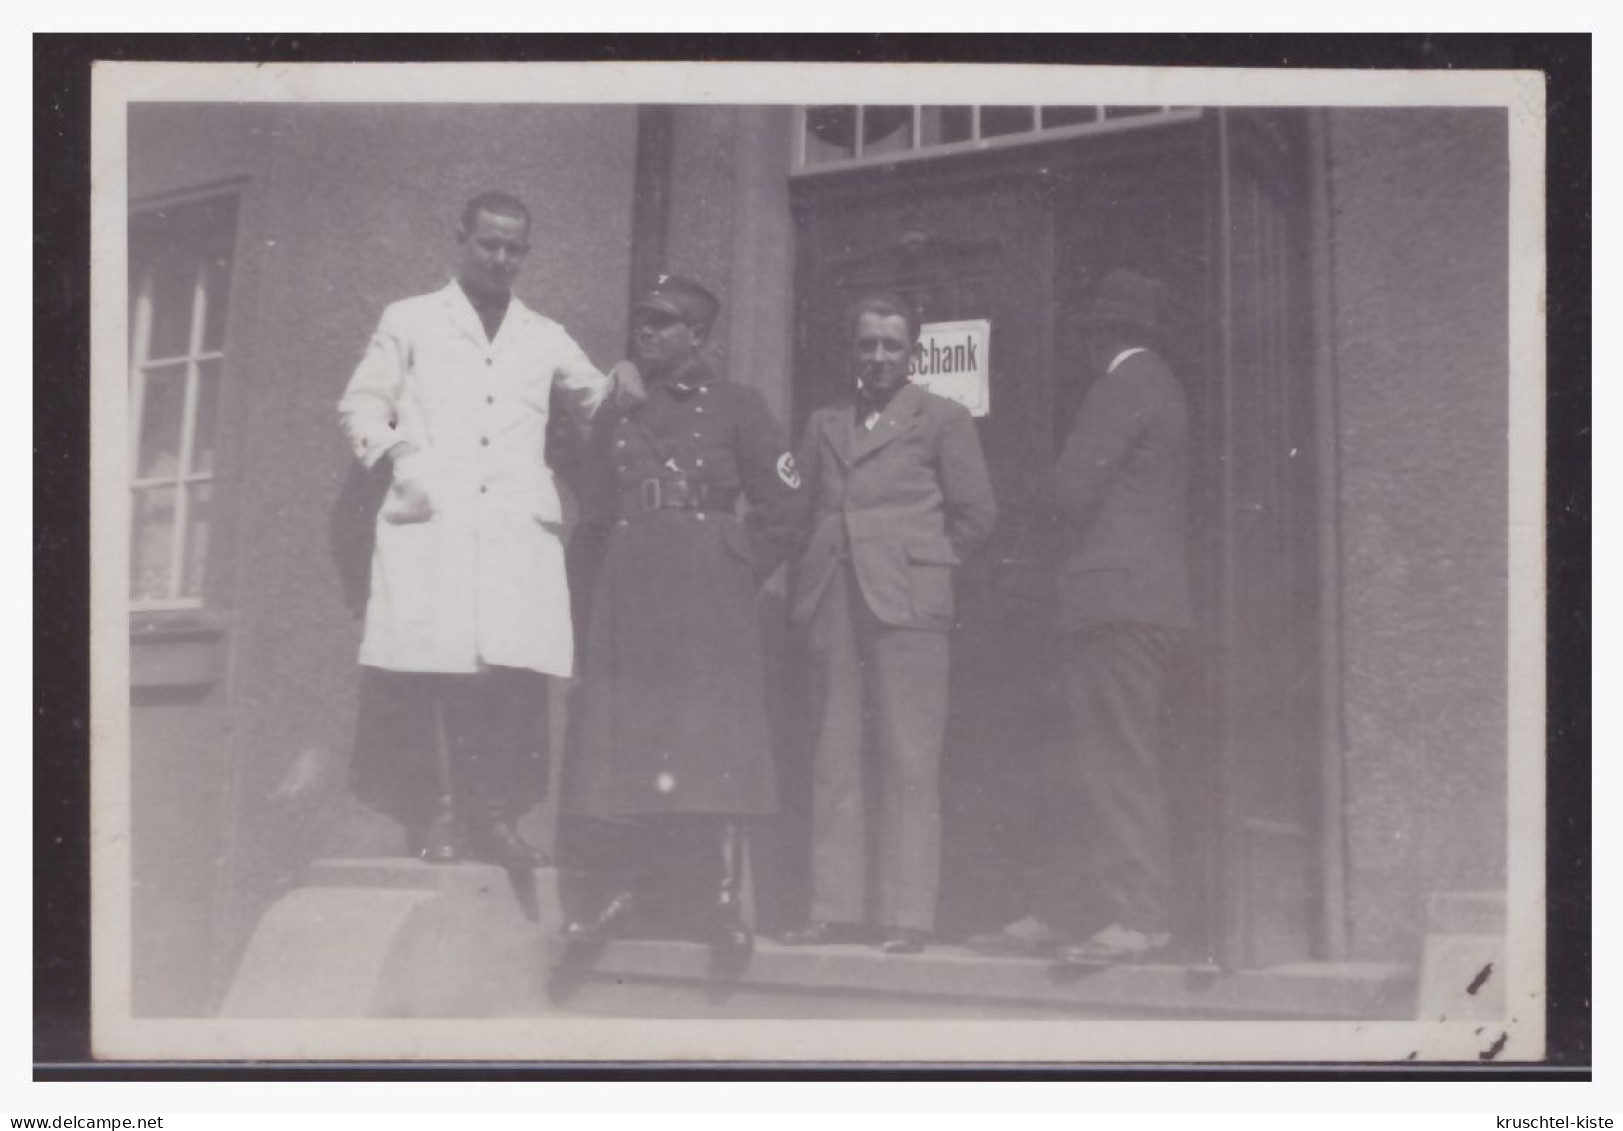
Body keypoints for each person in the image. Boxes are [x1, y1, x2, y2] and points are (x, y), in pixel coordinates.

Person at [338, 191, 614, 866]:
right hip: (434, 519)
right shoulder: (410, 320)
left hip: (512, 528)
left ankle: (494, 817)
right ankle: (430, 816)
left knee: (507, 679)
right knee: (424, 673)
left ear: (526, 253)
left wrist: (634, 383)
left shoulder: (543, 334)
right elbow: (361, 402)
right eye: (488, 243)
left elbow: (598, 397)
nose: (500, 258)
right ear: (460, 240)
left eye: (513, 247)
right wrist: (403, 459)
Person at [559, 273, 803, 957]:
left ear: (697, 334)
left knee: (712, 742)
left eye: (664, 322)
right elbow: (597, 508)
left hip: (708, 597)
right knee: (629, 738)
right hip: (631, 588)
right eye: (642, 320)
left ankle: (720, 902)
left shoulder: (737, 406)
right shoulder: (616, 412)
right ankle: (624, 893)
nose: (647, 332)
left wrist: (731, 564)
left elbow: (784, 510)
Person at [967, 268, 1192, 964]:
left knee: (1111, 759)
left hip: (1111, 604)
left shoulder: (1122, 384)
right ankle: (1070, 907)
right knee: (1083, 760)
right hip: (1124, 601)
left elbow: (1070, 490)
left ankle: (1139, 916)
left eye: (1090, 331)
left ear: (1102, 333)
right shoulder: (1158, 384)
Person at [781, 293, 997, 955]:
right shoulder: (823, 422)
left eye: (890, 346)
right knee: (832, 750)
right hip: (833, 597)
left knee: (909, 754)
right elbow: (802, 509)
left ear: (913, 353)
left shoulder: (943, 419)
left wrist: (922, 564)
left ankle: (907, 916)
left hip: (908, 602)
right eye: (866, 344)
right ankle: (832, 906)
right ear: (852, 350)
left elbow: (976, 514)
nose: (876, 357)